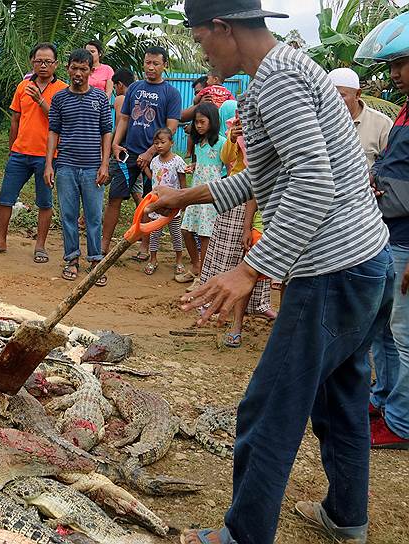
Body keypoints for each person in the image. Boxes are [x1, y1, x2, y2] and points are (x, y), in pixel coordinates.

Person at [155, 2, 392, 543]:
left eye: (199, 39)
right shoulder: (286, 70)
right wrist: (186, 195)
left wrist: (250, 269)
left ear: (222, 28)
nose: (201, 53)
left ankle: (243, 535)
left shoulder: (278, 81)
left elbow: (314, 184)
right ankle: (347, 517)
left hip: (332, 271)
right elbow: (268, 179)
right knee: (341, 398)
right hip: (364, 261)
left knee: (268, 407)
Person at [357, 14, 409, 450]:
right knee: (384, 329)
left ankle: (402, 422)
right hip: (390, 232)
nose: (393, 73)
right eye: (390, 65)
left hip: (407, 241)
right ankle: (383, 399)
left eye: (402, 63)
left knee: (405, 335)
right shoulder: (407, 109)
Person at [0, 43, 67, 263]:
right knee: (5, 198)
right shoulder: (23, 86)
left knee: (44, 202)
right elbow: (15, 119)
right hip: (20, 152)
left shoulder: (63, 90)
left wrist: (41, 101)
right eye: (38, 61)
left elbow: (60, 120)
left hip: (47, 156)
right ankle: (0, 241)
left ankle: (41, 246)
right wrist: (12, 147)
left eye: (47, 62)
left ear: (56, 64)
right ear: (32, 62)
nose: (43, 66)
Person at [198, 100, 275, 348]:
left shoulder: (273, 135)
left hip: (264, 203)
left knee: (253, 262)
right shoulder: (232, 133)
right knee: (227, 256)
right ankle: (218, 305)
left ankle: (256, 308)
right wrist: (233, 138)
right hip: (237, 197)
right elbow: (228, 161)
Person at [106, 46, 181, 264]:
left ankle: (145, 247)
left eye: (155, 63)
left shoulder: (172, 93)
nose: (151, 67)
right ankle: (103, 245)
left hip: (157, 159)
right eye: (148, 62)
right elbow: (125, 119)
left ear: (164, 65)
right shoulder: (135, 88)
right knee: (114, 198)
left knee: (151, 202)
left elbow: (172, 128)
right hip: (128, 154)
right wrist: (115, 143)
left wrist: (151, 152)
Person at [45, 48, 112, 284]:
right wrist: (48, 164)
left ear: (90, 71)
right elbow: (53, 131)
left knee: (94, 217)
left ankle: (95, 260)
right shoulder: (60, 98)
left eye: (83, 68)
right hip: (65, 166)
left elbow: (106, 132)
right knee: (68, 216)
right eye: (74, 67)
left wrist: (105, 164)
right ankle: (72, 259)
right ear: (68, 68)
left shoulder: (100, 98)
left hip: (93, 167)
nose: (78, 73)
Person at [180, 102, 224, 291]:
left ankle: (202, 276)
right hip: (195, 191)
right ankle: (195, 266)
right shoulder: (199, 144)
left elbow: (225, 169)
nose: (198, 126)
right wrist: (194, 167)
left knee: (205, 234)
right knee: (186, 230)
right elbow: (201, 164)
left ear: (212, 121)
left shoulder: (222, 143)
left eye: (202, 122)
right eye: (196, 122)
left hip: (211, 194)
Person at [328, 67, 392, 168]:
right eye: (329, 95)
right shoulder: (320, 122)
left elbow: (391, 164)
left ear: (357, 94)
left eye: (341, 96)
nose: (334, 100)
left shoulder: (382, 124)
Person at [143, 128, 186, 276]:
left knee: (176, 233)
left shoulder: (178, 161)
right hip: (157, 205)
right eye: (156, 143)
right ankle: (153, 259)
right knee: (154, 233)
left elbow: (182, 182)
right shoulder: (154, 161)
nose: (159, 146)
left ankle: (179, 260)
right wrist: (145, 170)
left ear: (171, 143)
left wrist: (184, 201)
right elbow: (154, 179)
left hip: (173, 206)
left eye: (162, 142)